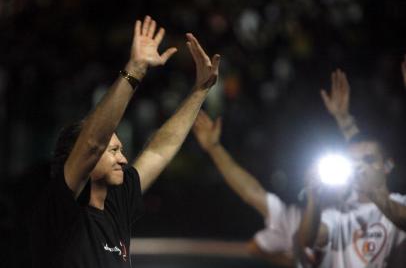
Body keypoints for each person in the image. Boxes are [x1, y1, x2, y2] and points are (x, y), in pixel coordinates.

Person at [31, 15, 220, 268]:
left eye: (120, 150)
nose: (123, 158)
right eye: (113, 151)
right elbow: (91, 144)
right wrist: (136, 69)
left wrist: (200, 91)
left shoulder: (116, 203)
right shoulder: (62, 210)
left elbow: (158, 151)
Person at [192, 68, 362, 267]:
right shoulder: (291, 219)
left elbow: (369, 162)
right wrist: (215, 149)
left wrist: (345, 121)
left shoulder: (362, 207)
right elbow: (250, 192)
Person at [296, 71, 406, 267]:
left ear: (388, 166)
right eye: (353, 162)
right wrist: (313, 197)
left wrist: (375, 194)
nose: (360, 167)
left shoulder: (400, 203)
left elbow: (401, 218)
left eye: (369, 160)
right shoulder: (341, 214)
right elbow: (308, 240)